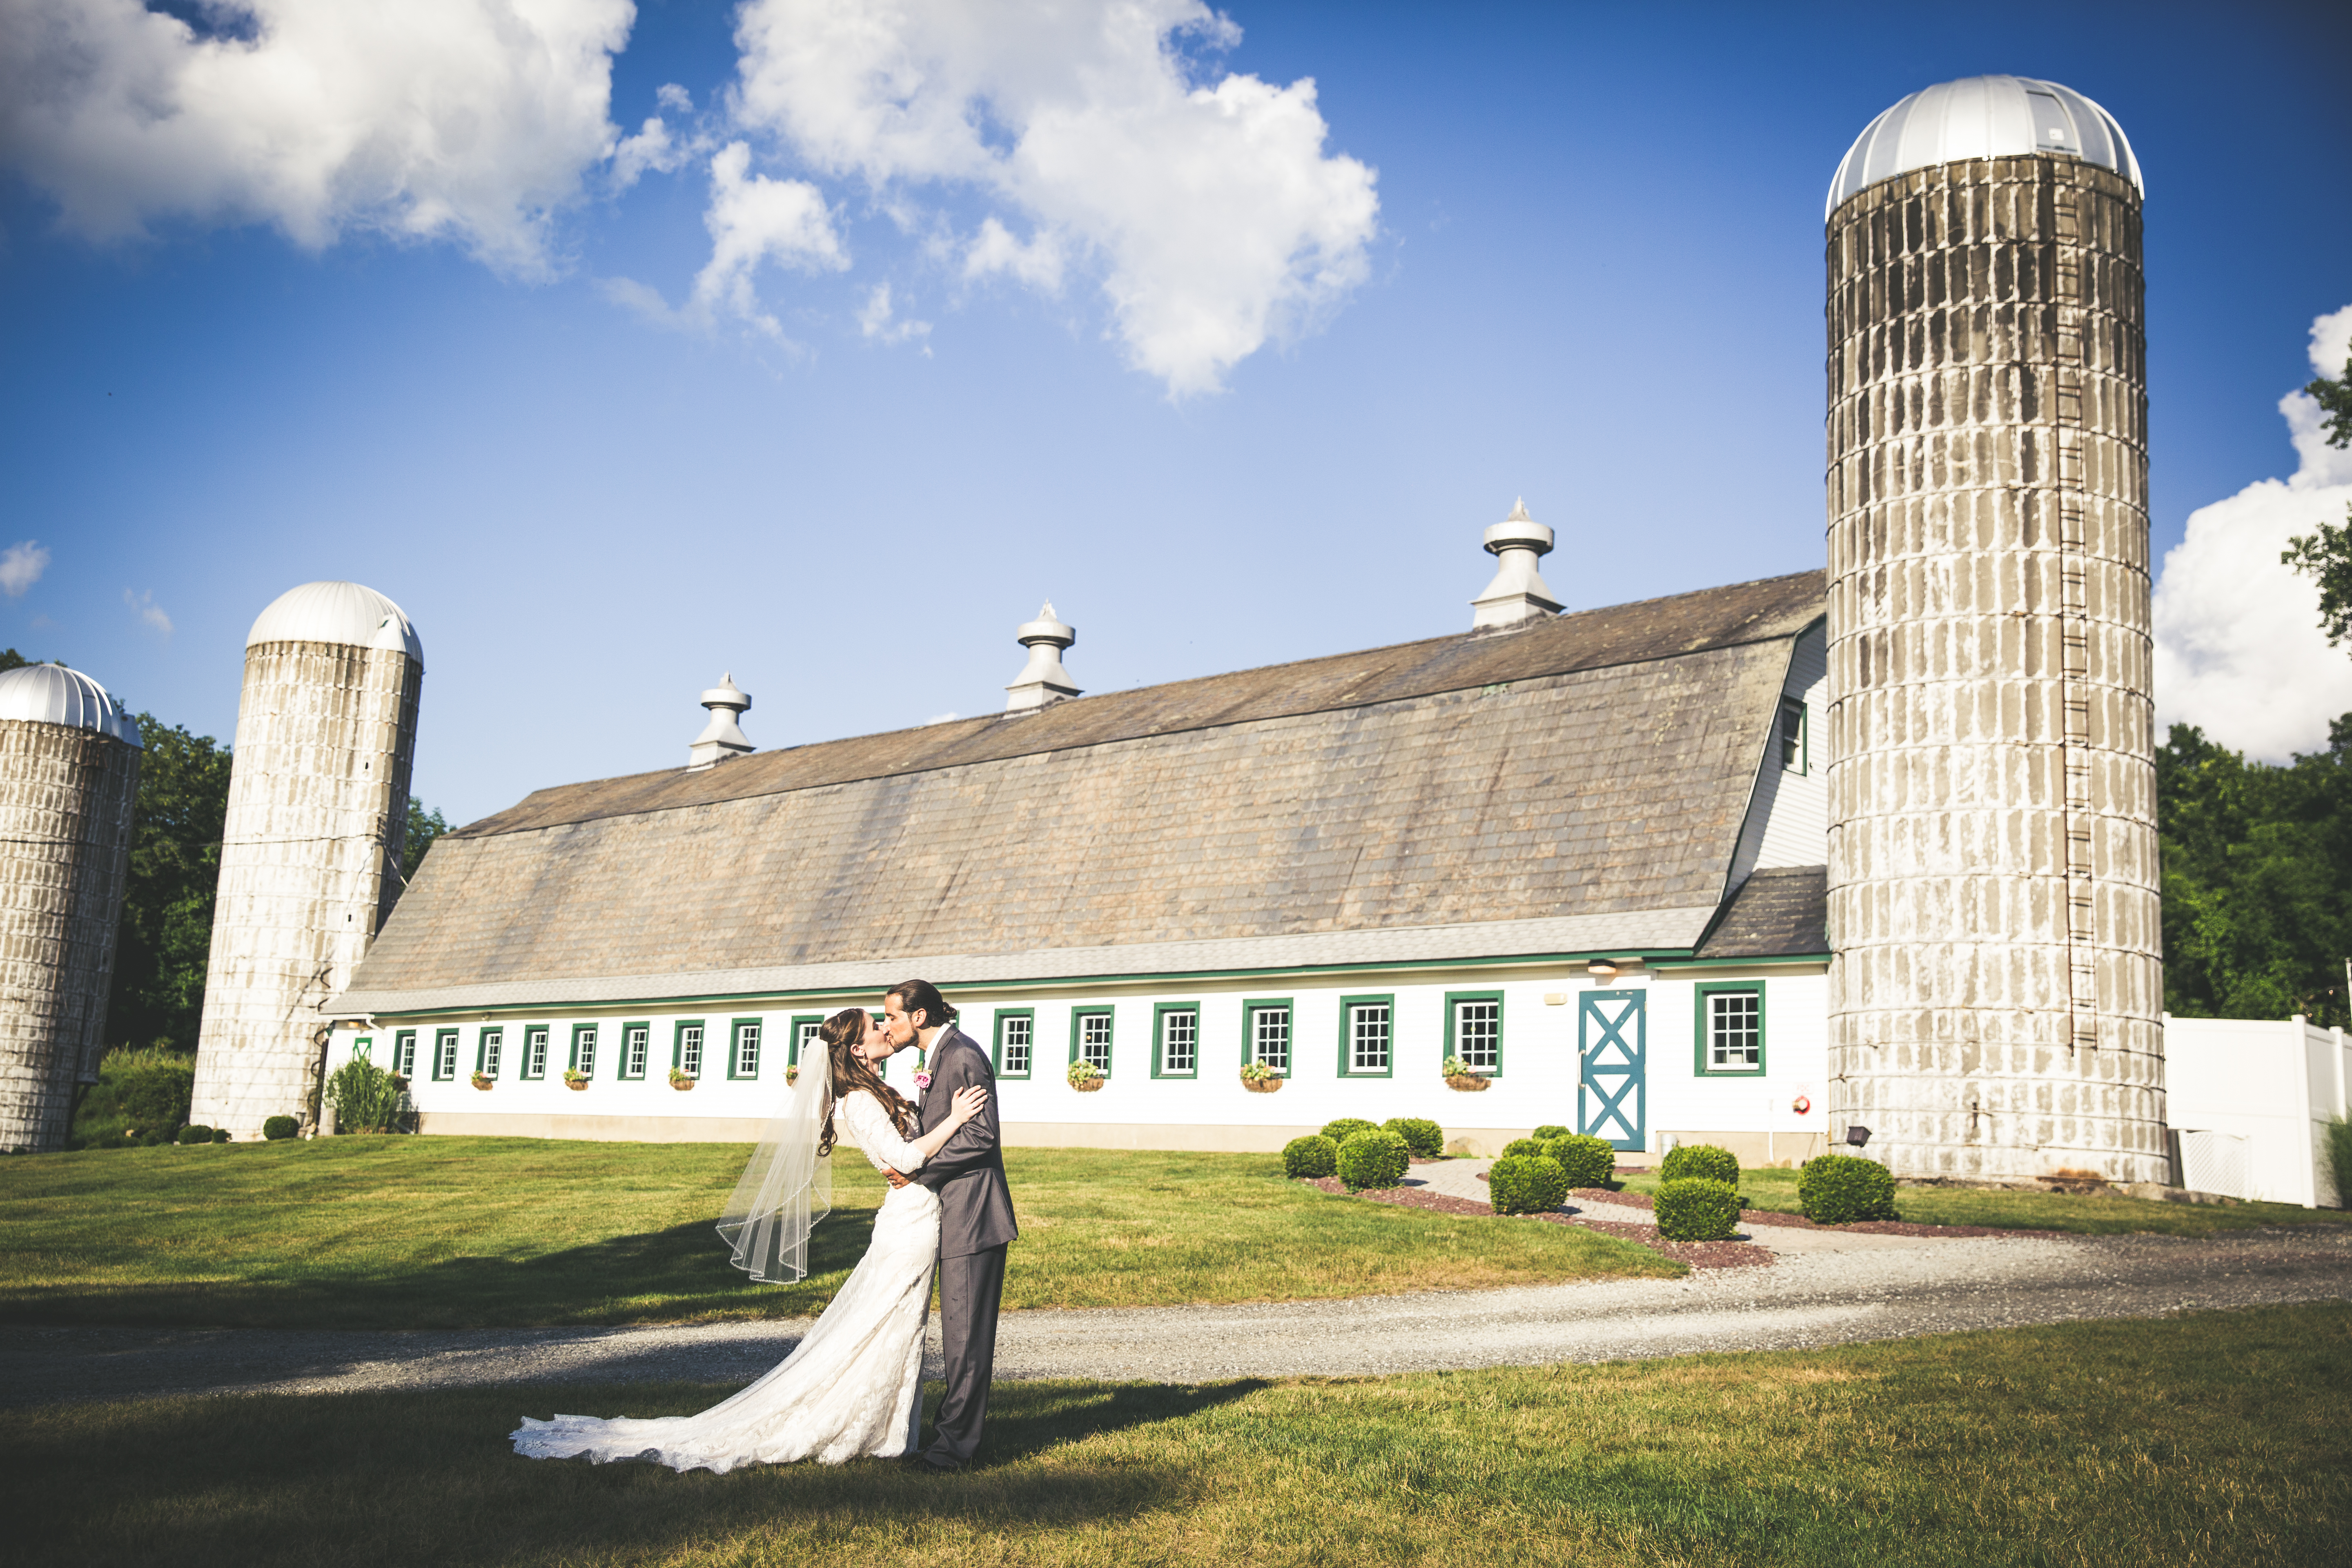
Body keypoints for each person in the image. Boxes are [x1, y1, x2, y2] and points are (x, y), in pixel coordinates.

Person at [509, 1007, 988, 1471]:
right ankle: (856, 1426)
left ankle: (886, 1429)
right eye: (874, 1025)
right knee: (884, 1327)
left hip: (916, 1216)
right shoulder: (858, 1100)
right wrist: (955, 1118)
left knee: (892, 1329)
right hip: (908, 1225)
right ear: (859, 1050)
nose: (886, 1028)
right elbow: (904, 1160)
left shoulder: (873, 1089)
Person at [876, 978, 1018, 1472]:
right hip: (951, 1213)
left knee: (966, 1340)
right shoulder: (936, 1058)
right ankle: (949, 1437)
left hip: (975, 1215)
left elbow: (981, 1136)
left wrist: (918, 1169)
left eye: (892, 1016)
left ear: (919, 1016)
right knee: (957, 1337)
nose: (887, 1025)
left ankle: (954, 1452)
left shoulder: (962, 1055)